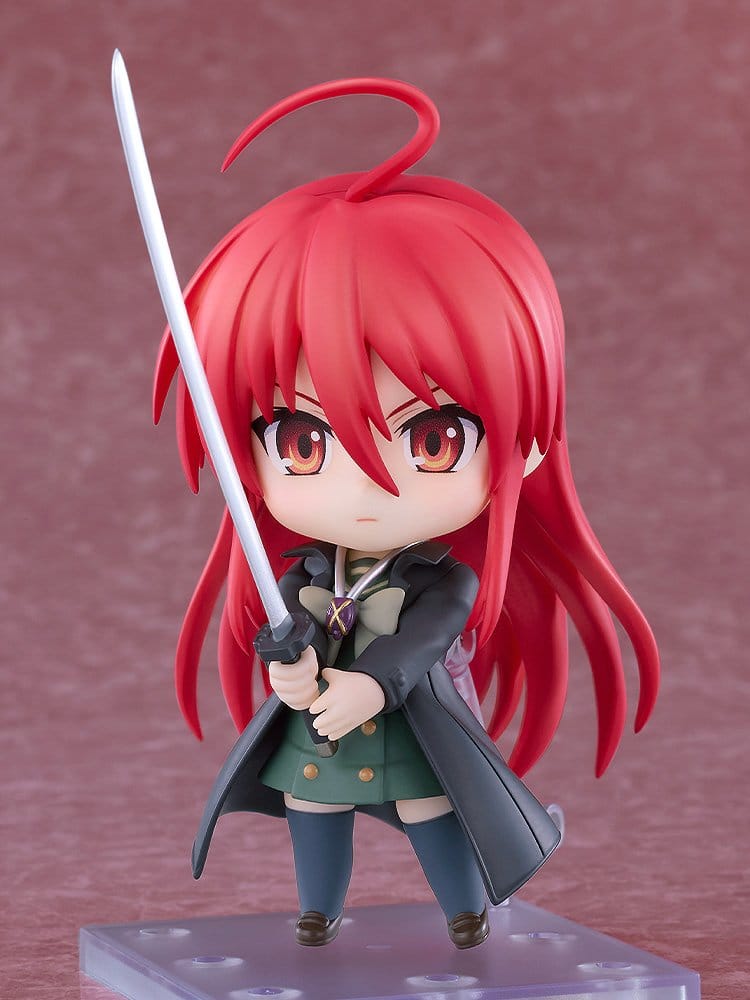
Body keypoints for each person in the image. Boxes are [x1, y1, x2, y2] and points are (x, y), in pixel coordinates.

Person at [152, 78, 659, 948]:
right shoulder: (308, 573)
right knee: (313, 804)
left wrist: (369, 684)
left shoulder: (442, 581)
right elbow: (289, 632)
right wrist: (290, 672)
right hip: (325, 736)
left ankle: (466, 911)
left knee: (434, 809)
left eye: (431, 439)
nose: (365, 484)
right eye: (303, 441)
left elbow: (428, 639)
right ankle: (318, 910)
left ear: (527, 444)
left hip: (413, 726)